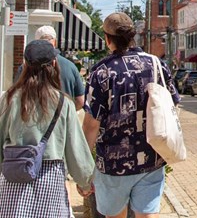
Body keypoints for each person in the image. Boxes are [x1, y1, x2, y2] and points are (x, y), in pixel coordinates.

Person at [83, 12, 180, 218]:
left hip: (113, 161)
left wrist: (84, 166)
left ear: (108, 39)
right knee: (147, 215)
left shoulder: (101, 72)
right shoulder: (156, 64)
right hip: (151, 156)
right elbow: (173, 103)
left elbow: (92, 123)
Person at [0, 40, 95, 217]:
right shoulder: (62, 102)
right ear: (54, 64)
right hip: (49, 177)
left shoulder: (9, 99)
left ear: (25, 65)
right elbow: (75, 148)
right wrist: (85, 182)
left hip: (14, 174)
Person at [17, 25, 86, 111]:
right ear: (55, 42)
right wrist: (67, 113)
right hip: (62, 120)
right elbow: (80, 101)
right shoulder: (70, 66)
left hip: (30, 120)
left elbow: (17, 96)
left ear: (36, 42)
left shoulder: (25, 67)